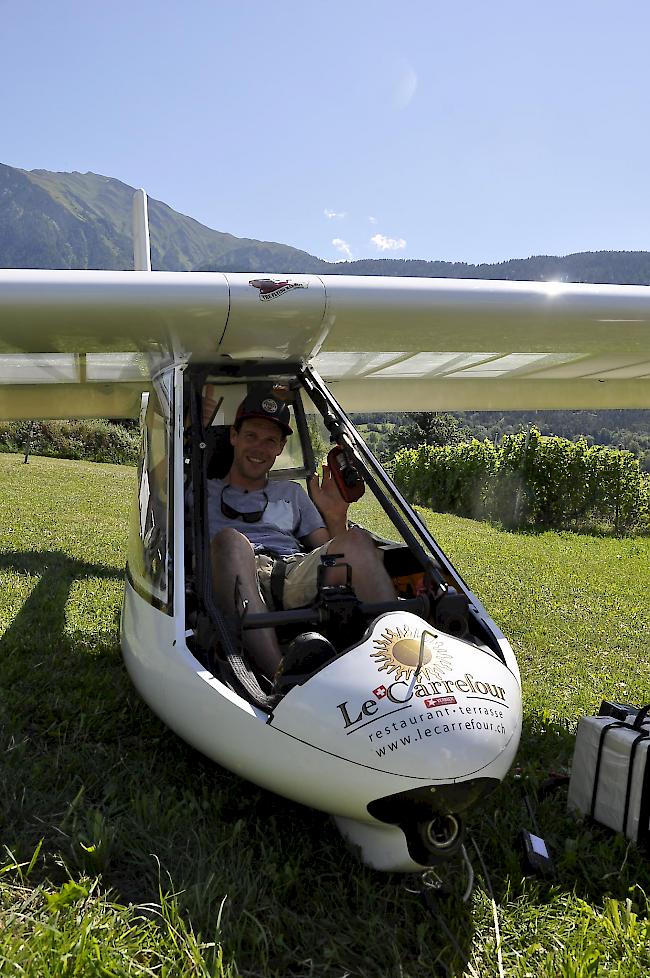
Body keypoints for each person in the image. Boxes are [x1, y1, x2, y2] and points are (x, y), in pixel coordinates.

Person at [207, 388, 396, 680]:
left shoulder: (291, 494)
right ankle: (279, 678)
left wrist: (336, 516)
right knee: (231, 541)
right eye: (251, 436)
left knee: (357, 541)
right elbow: (159, 495)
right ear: (233, 436)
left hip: (287, 572)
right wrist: (186, 433)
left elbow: (329, 550)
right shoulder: (200, 491)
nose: (259, 448)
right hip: (231, 572)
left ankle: (400, 660)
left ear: (281, 447)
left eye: (270, 440)